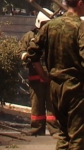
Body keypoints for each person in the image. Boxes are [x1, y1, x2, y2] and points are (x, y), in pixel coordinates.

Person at [26, 0, 84, 150]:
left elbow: (32, 53)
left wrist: (45, 75)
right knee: (77, 134)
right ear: (81, 3)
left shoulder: (51, 26)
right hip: (75, 86)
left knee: (63, 131)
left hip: (55, 86)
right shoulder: (81, 28)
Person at [18, 9, 59, 137]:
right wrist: (25, 56)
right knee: (37, 103)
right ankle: (37, 129)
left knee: (53, 103)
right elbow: (20, 50)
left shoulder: (55, 36)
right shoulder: (30, 36)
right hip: (35, 75)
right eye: (45, 23)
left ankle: (54, 129)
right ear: (39, 23)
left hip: (52, 75)